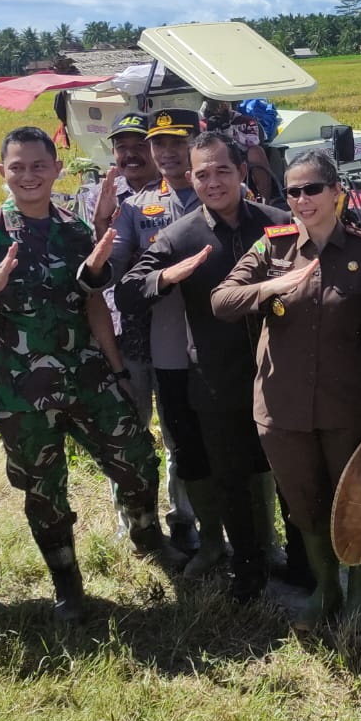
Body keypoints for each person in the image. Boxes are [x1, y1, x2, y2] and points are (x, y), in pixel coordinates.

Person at [0, 126, 170, 622]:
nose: (28, 176)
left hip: (89, 377)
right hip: (22, 393)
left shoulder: (75, 232)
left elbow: (93, 306)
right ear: (2, 171)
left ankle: (148, 536)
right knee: (44, 491)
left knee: (137, 460)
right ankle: (67, 583)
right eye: (17, 166)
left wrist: (116, 368)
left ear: (56, 170)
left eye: (39, 165)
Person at [212, 149, 361, 632]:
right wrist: (269, 289)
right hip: (282, 406)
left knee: (353, 499)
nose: (301, 199)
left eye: (312, 189)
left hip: (347, 404)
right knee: (303, 502)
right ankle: (326, 589)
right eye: (292, 191)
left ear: (336, 192)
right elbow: (221, 300)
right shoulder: (271, 247)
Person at [116, 131, 292, 602]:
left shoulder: (278, 224)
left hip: (279, 372)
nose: (213, 182)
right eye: (202, 173)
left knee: (283, 470)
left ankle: (293, 559)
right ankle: (247, 568)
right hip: (216, 377)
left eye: (222, 171)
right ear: (191, 178)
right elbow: (128, 291)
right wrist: (165, 276)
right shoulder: (179, 236)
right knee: (230, 474)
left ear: (241, 173)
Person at [83, 108, 223, 566]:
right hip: (140, 340)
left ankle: (185, 518)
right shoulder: (137, 206)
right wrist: (99, 254)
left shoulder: (218, 197)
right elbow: (110, 267)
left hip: (202, 340)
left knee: (187, 437)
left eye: (175, 143)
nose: (165, 152)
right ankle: (136, 523)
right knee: (132, 432)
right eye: (158, 143)